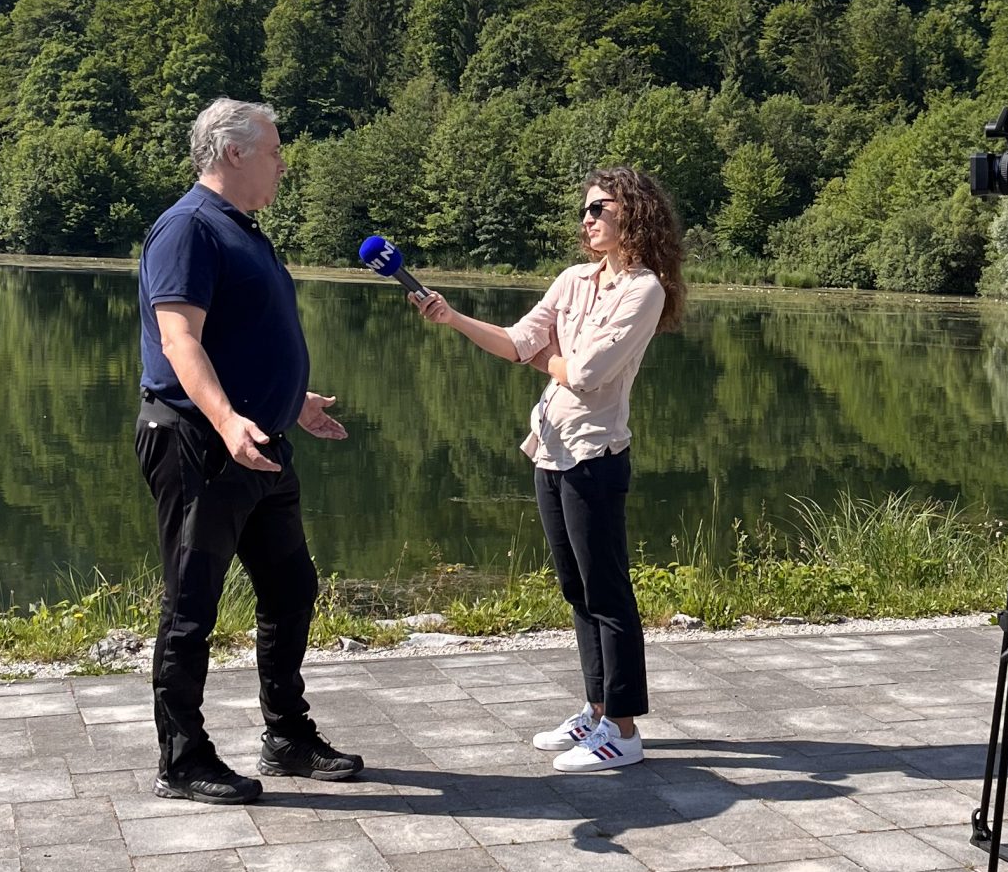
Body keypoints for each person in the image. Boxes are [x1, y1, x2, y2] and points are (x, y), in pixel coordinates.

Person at [413, 167, 683, 773]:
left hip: (596, 455)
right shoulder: (572, 280)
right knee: (576, 589)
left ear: (632, 214)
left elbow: (590, 375)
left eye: (599, 208)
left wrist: (551, 359)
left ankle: (625, 728)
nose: (587, 219)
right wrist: (451, 318)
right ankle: (595, 709)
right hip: (550, 449)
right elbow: (515, 344)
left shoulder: (645, 290)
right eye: (585, 209)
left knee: (609, 593)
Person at [135, 96, 364, 802]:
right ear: (233, 153)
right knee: (192, 605)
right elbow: (181, 343)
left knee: (292, 587)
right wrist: (231, 421)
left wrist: (289, 403)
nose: (283, 165)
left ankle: (287, 737)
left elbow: (241, 340)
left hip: (257, 443)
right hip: (200, 442)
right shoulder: (188, 230)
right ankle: (182, 757)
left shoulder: (241, 231)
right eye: (274, 151)